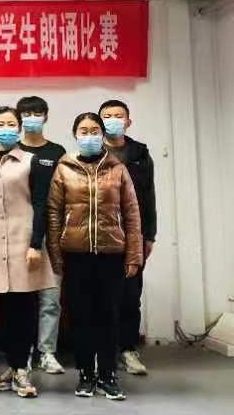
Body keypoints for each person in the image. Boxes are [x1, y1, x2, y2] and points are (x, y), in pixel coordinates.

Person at [47, 112, 143, 401]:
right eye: (83, 131)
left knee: (109, 315)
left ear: (102, 135)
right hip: (75, 254)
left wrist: (134, 255)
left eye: (94, 131)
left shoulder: (118, 169)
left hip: (111, 254)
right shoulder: (64, 168)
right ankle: (86, 374)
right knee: (81, 317)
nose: (88, 136)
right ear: (75, 135)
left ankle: (108, 375)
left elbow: (132, 213)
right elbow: (53, 213)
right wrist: (56, 254)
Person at [0, 106, 55, 399]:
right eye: (0, 124)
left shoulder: (32, 162)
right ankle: (13, 364)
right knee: (3, 309)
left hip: (23, 243)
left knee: (24, 307)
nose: (5, 128)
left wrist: (35, 244)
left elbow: (41, 204)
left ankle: (21, 368)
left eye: (10, 124)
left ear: (19, 129)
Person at [99, 99, 156, 376]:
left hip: (133, 233)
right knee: (99, 295)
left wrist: (150, 234)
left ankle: (128, 349)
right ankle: (102, 350)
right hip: (99, 233)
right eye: (107, 116)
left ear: (128, 121)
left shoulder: (140, 154)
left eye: (118, 116)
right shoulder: (90, 152)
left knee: (131, 295)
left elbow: (149, 196)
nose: (112, 120)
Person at [16, 96, 66, 375]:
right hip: (19, 234)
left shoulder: (57, 152)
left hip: (52, 234)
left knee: (50, 298)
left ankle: (47, 352)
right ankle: (22, 353)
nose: (31, 118)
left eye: (37, 113)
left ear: (45, 116)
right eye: (26, 113)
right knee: (21, 299)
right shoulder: (12, 149)